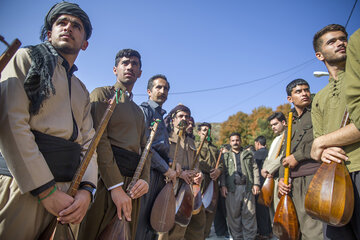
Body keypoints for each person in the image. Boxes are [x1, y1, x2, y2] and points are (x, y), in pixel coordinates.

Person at [0, 2, 97, 239]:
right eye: (61, 22)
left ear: (84, 43)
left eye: (76, 25)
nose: (68, 27)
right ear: (48, 34)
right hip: (23, 187)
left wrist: (86, 191)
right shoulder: (26, 59)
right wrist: (45, 190)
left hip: (68, 195)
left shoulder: (82, 90)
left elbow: (89, 143)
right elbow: (11, 124)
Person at [78, 49, 150, 240]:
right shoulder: (102, 94)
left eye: (135, 64)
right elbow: (98, 139)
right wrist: (115, 186)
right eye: (125, 63)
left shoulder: (137, 110)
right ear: (115, 69)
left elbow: (145, 150)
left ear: (140, 73)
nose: (130, 67)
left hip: (132, 186)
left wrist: (144, 180)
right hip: (106, 181)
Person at [311, 25, 360, 239]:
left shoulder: (355, 79)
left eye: (343, 39)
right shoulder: (319, 97)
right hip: (331, 181)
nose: (341, 43)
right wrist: (321, 151)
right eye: (332, 41)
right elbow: (315, 148)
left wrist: (321, 142)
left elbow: (319, 141)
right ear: (319, 55)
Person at [278, 79, 322, 239]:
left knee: (314, 230)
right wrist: (282, 180)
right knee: (295, 229)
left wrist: (298, 156)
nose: (304, 93)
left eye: (306, 90)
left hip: (313, 176)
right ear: (290, 98)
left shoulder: (317, 112)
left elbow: (322, 140)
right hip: (292, 183)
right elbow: (285, 154)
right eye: (298, 91)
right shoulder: (291, 120)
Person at [135, 74, 178, 240]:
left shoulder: (160, 115)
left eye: (166, 88)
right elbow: (145, 146)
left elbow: (162, 148)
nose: (163, 91)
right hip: (147, 173)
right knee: (140, 224)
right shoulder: (145, 111)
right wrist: (166, 169)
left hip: (160, 174)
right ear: (148, 91)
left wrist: (169, 164)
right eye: (158, 87)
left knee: (152, 224)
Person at [159, 104, 204, 240]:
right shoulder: (164, 137)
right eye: (180, 116)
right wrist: (179, 173)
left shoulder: (191, 141)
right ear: (173, 120)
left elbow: (195, 165)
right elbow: (159, 162)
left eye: (186, 116)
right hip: (168, 186)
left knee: (181, 225)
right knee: (164, 227)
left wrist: (198, 174)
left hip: (187, 188)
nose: (184, 119)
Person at [220, 132, 260, 240]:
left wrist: (256, 184)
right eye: (233, 141)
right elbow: (222, 172)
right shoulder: (225, 156)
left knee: (249, 214)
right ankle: (237, 238)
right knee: (233, 216)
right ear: (230, 142)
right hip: (232, 189)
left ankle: (249, 238)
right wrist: (223, 186)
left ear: (240, 141)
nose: (235, 142)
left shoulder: (249, 154)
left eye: (237, 140)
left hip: (247, 188)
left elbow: (255, 169)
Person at [196, 122, 223, 238]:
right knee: (199, 210)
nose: (206, 132)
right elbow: (197, 161)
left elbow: (221, 163)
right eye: (204, 130)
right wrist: (212, 170)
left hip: (214, 182)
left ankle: (206, 235)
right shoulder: (195, 145)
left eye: (208, 130)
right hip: (201, 181)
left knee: (210, 210)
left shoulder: (215, 148)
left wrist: (218, 171)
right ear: (199, 132)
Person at [261, 112, 286, 221]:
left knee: (280, 210)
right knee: (272, 210)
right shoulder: (276, 139)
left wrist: (269, 169)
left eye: (275, 124)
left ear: (284, 122)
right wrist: (263, 169)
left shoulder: (288, 136)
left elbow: (283, 156)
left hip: (278, 177)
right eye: (271, 125)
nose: (273, 127)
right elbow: (269, 157)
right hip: (270, 178)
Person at [254, 136, 272, 239]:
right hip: (270, 184)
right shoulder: (270, 153)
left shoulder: (256, 155)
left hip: (260, 185)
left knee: (260, 210)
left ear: (257, 143)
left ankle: (263, 233)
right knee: (268, 209)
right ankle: (269, 231)